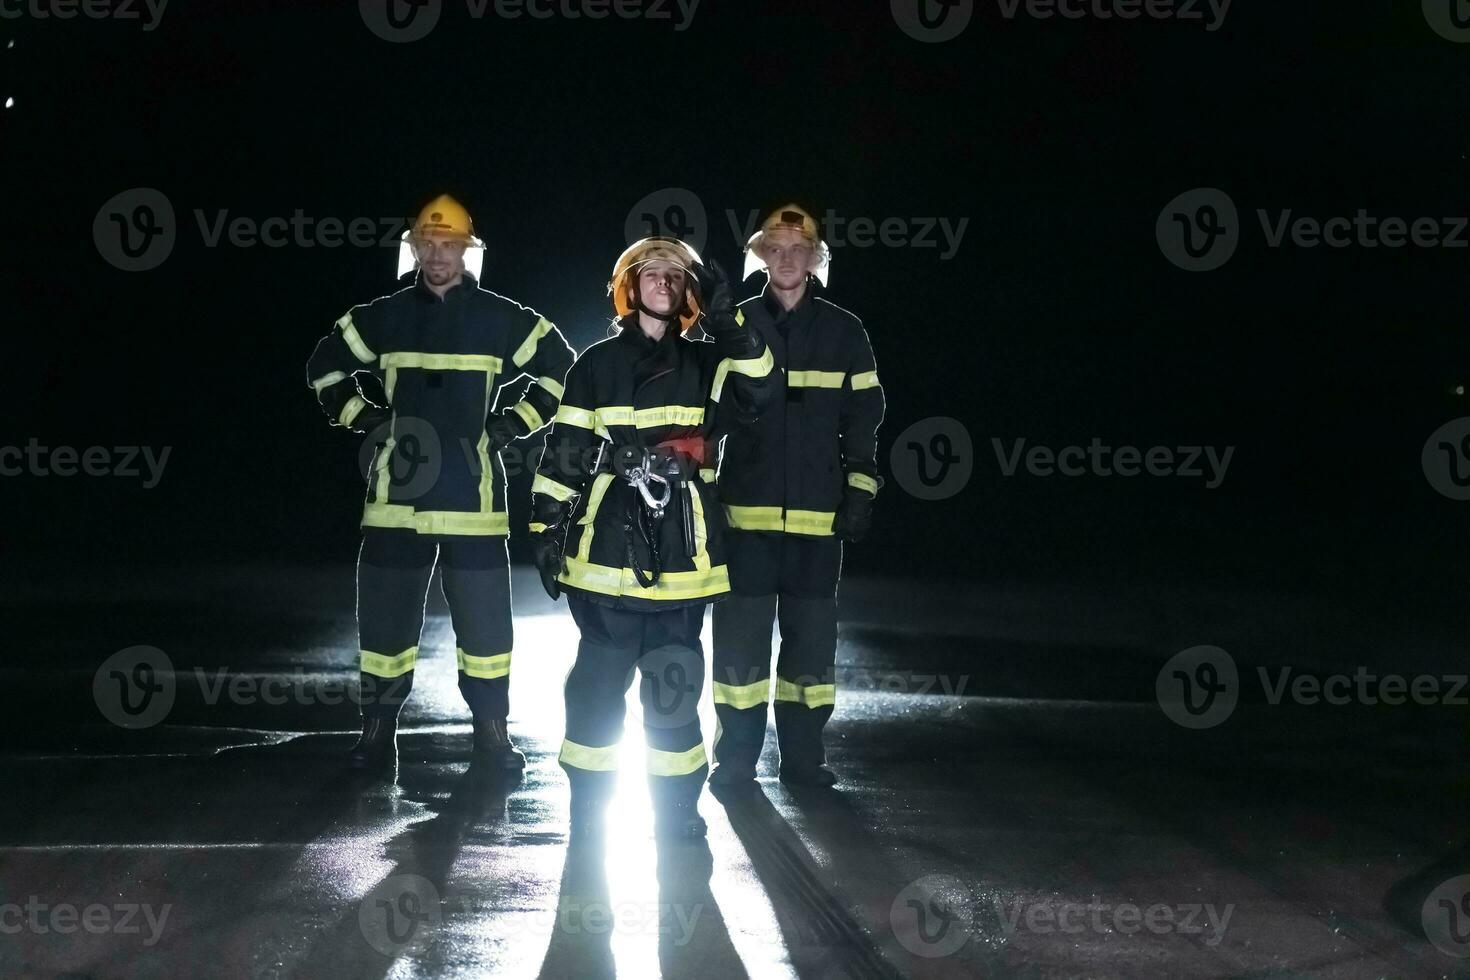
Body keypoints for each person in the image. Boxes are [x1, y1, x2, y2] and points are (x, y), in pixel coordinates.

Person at [306, 193, 574, 772]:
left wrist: (510, 426)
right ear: (414, 249)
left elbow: (560, 368)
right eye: (427, 244)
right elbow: (324, 365)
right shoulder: (384, 314)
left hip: (473, 506)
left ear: (466, 251)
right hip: (393, 507)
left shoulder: (500, 318)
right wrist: (370, 421)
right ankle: (376, 734)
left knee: (485, 633)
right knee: (384, 626)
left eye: (448, 245)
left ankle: (493, 736)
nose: (437, 254)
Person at [529, 236, 774, 840]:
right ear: (629, 286)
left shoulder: (709, 362)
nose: (662, 281)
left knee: (674, 691)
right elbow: (564, 453)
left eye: (674, 274)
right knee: (595, 691)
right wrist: (543, 529)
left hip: (682, 553)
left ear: (689, 290)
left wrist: (729, 323)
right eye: (651, 272)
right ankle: (589, 813)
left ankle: (676, 813)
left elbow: (761, 387)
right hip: (606, 555)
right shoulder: (594, 365)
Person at [708, 204, 886, 788]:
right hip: (746, 519)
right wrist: (707, 501)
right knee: (740, 649)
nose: (786, 259)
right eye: (774, 249)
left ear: (814, 258)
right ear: (760, 256)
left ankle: (805, 761)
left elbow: (865, 417)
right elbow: (705, 417)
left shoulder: (844, 331)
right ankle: (735, 759)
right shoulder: (733, 323)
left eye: (797, 249)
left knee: (811, 651)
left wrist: (860, 488)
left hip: (818, 522)